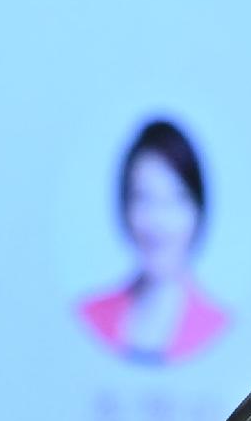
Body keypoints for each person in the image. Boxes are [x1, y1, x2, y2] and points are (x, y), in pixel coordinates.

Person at [76, 118, 230, 367]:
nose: (158, 222)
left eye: (174, 199)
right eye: (144, 198)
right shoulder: (89, 317)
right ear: (124, 206)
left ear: (198, 209)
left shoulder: (218, 325)